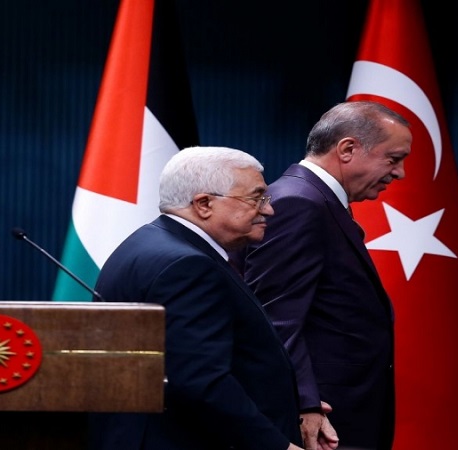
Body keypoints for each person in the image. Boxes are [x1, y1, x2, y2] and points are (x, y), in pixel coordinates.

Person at [90, 146, 304, 450]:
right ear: (204, 204)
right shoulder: (188, 265)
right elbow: (201, 381)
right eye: (256, 198)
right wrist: (276, 445)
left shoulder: (149, 241)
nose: (268, 210)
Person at [238, 101, 412, 450]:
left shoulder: (317, 200)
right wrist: (305, 404)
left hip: (344, 412)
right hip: (322, 420)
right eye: (393, 159)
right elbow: (276, 319)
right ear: (347, 149)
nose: (400, 173)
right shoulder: (299, 203)